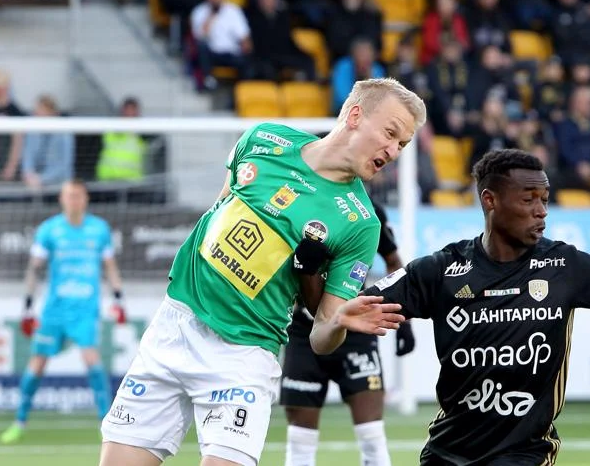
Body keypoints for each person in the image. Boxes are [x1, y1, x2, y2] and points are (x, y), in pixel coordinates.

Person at [304, 149, 590, 465]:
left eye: (544, 199)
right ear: (490, 200)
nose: (541, 211)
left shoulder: (568, 267)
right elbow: (332, 313)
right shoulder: (441, 270)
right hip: (447, 451)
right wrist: (309, 270)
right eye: (528, 199)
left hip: (523, 453)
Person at [98, 77, 427, 466]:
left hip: (244, 357)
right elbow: (221, 207)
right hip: (174, 326)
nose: (393, 151)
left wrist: (339, 321)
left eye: (402, 144)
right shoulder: (262, 139)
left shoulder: (361, 224)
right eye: (390, 134)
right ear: (355, 115)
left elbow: (321, 337)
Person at [281, 202, 415, 466]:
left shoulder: (368, 212)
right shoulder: (298, 202)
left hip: (356, 331)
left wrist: (405, 321)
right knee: (299, 443)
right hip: (304, 332)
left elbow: (393, 262)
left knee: (372, 437)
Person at [0, 179, 126, 444]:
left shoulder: (99, 229)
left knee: (93, 361)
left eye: (78, 195)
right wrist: (28, 306)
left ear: (86, 198)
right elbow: (34, 268)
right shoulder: (49, 229)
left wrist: (118, 298)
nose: (73, 200)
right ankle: (20, 422)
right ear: (61, 199)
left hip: (85, 309)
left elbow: (110, 266)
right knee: (37, 363)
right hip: (55, 309)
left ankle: (106, 424)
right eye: (69, 196)